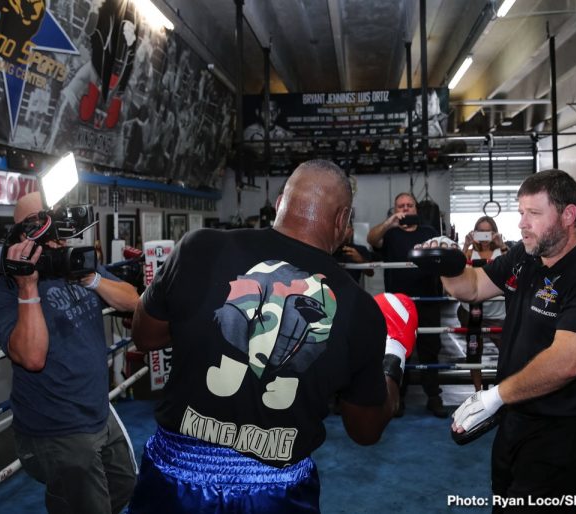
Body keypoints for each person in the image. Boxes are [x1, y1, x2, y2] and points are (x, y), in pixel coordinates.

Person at [127, 159, 410, 513]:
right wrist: (394, 358)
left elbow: (145, 337)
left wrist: (175, 301)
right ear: (342, 221)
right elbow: (365, 431)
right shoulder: (358, 307)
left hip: (175, 478)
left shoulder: (198, 247)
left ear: (279, 205)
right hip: (275, 493)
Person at [441, 170, 576, 510]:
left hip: (563, 427)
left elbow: (568, 362)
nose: (522, 223)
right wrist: (445, 262)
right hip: (516, 414)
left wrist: (494, 396)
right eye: (521, 212)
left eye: (534, 214)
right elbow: (474, 287)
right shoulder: (525, 257)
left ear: (568, 215)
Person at [0, 192, 138, 514]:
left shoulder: (77, 262)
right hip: (56, 423)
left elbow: (133, 301)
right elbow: (32, 357)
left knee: (123, 484)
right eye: (41, 224)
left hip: (97, 408)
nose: (54, 233)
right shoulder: (6, 289)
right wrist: (28, 287)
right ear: (22, 235)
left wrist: (91, 278)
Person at [367, 192, 447, 418]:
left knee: (430, 348)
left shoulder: (428, 232)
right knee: (398, 351)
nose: (405, 209)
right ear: (395, 210)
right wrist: (390, 221)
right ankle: (397, 398)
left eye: (409, 205)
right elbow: (372, 240)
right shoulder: (390, 233)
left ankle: (433, 396)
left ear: (416, 209)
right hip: (398, 304)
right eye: (400, 206)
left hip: (428, 299)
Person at [457, 216, 508, 391]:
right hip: (472, 310)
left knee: (507, 351)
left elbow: (513, 268)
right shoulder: (470, 253)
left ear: (494, 232)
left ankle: (501, 390)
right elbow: (457, 270)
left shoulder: (502, 252)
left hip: (497, 312)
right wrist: (465, 245)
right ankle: (478, 391)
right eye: (481, 232)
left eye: (488, 232)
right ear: (475, 233)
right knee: (474, 352)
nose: (485, 236)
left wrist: (501, 245)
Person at [334, 216, 373, 285]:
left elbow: (370, 273)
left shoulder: (360, 250)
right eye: (339, 227)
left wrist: (361, 260)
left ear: (351, 231)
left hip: (352, 290)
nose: (342, 230)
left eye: (345, 226)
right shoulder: (328, 249)